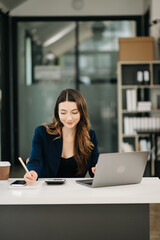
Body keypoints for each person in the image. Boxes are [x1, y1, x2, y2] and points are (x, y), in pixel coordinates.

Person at [24, 88, 99, 185]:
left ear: (82, 113)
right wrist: (32, 172)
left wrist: (97, 170)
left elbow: (94, 168)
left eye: (74, 112)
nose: (69, 118)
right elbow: (34, 161)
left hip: (75, 192)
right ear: (57, 113)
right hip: (46, 191)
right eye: (63, 112)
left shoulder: (90, 136)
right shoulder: (42, 132)